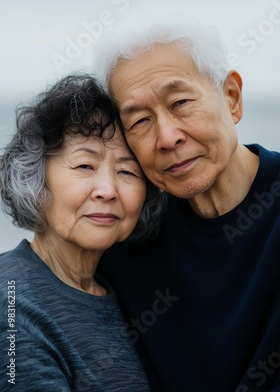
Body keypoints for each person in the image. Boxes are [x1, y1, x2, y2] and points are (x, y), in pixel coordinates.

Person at [96, 22, 280, 392]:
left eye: (180, 102)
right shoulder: (124, 245)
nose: (167, 137)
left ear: (231, 97)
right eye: (140, 121)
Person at [0, 74, 164, 391]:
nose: (107, 190)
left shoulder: (125, 289)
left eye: (127, 171)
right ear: (35, 178)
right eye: (84, 166)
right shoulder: (14, 307)